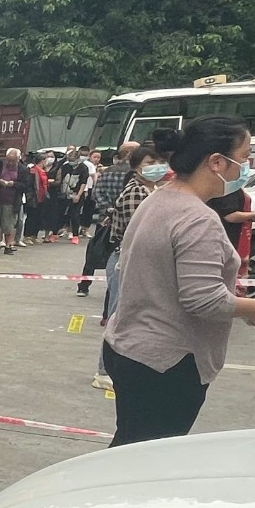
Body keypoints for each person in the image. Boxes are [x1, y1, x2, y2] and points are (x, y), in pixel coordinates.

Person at [103, 118, 255, 445]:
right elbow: (204, 299)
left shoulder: (160, 198)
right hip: (167, 363)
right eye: (245, 156)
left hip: (130, 347)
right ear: (217, 162)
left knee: (130, 448)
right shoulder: (198, 219)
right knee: (147, 458)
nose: (247, 166)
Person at [91, 143, 168, 390]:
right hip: (126, 259)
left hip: (138, 260)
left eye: (160, 162)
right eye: (150, 163)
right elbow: (141, 232)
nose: (156, 167)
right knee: (118, 317)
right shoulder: (136, 192)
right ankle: (103, 371)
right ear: (136, 167)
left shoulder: (153, 189)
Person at [78, 141, 138, 296]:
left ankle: (84, 285)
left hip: (105, 220)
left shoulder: (107, 172)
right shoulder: (136, 175)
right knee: (121, 257)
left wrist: (108, 210)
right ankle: (113, 290)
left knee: (95, 251)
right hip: (127, 222)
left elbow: (96, 194)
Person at [0, 147, 32, 254]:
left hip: (12, 201)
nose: (10, 163)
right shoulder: (0, 166)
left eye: (13, 161)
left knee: (9, 224)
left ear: (18, 159)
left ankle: (9, 245)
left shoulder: (23, 169)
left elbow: (26, 185)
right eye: (9, 160)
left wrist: (13, 184)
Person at [52, 148, 88, 241]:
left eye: (73, 160)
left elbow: (83, 182)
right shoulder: (65, 166)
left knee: (75, 215)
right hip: (64, 193)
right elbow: (60, 179)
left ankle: (75, 235)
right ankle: (55, 233)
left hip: (76, 193)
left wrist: (78, 195)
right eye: (70, 160)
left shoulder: (83, 168)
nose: (71, 162)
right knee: (59, 213)